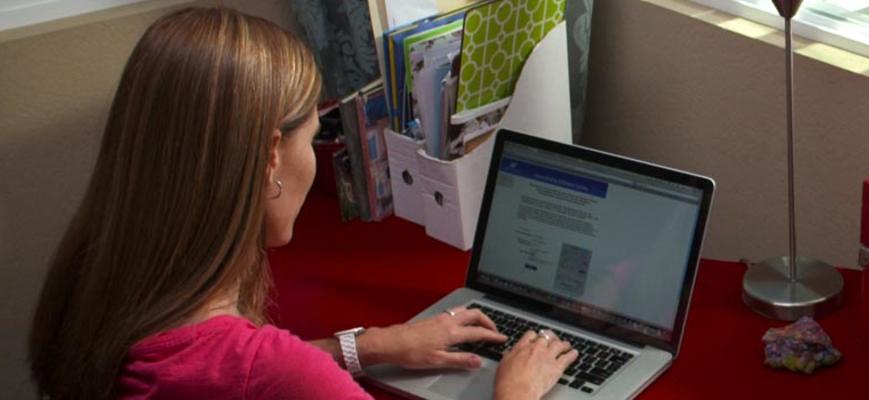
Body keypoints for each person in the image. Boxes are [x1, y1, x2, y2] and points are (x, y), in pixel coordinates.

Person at [26, 7, 576, 400]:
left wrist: (369, 345)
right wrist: (516, 393)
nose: (314, 161)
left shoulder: (100, 279)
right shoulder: (270, 371)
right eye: (312, 137)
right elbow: (260, 375)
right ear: (270, 154)